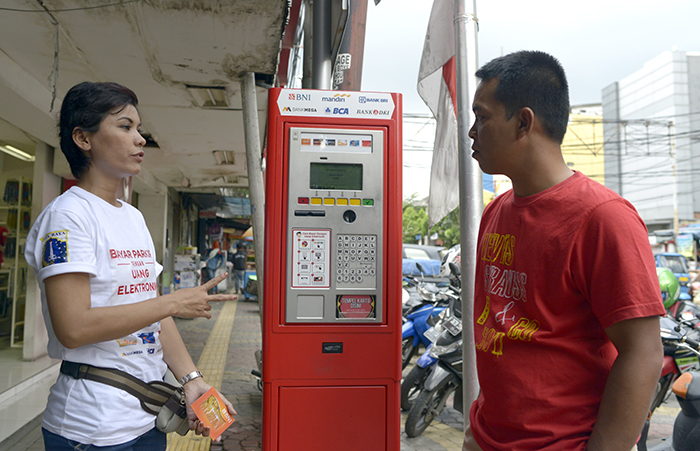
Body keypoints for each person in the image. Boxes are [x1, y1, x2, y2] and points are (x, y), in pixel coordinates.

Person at [464, 51, 666, 451]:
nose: (472, 131)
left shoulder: (602, 218)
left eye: (483, 117)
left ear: (524, 122)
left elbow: (643, 354)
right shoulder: (496, 212)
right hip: (487, 438)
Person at [24, 81, 236, 450]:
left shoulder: (133, 217)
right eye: (125, 126)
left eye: (138, 128)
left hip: (147, 418)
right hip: (91, 428)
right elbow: (72, 327)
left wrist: (192, 379)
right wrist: (172, 301)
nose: (140, 139)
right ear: (83, 138)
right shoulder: (68, 217)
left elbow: (152, 311)